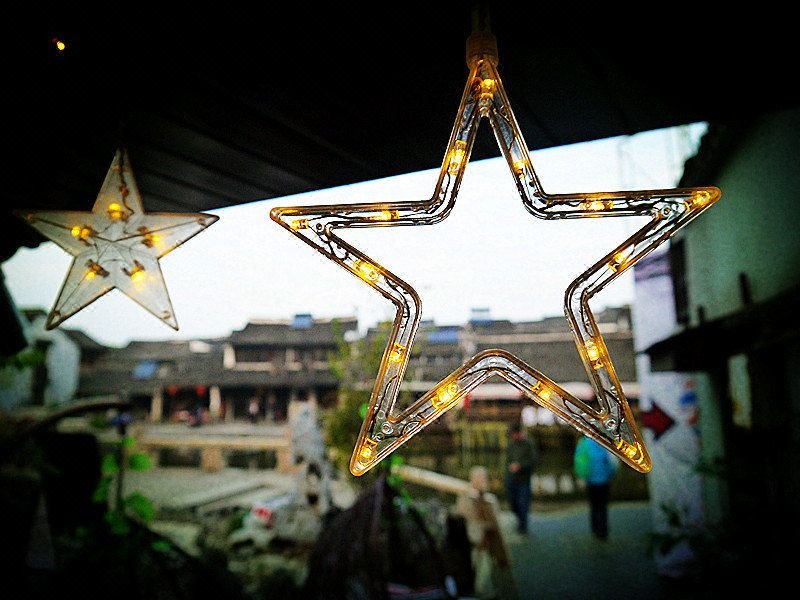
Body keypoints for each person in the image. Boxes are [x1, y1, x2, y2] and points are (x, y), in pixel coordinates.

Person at [574, 436, 618, 540]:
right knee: (603, 506)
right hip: (604, 480)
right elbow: (612, 462)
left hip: (590, 480)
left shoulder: (584, 443)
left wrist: (582, 476)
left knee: (593, 505)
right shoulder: (605, 442)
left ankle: (595, 528)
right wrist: (611, 474)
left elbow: (579, 459)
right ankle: (603, 530)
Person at [505, 423, 538, 534]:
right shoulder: (511, 444)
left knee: (523, 503)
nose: (513, 437)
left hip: (524, 479)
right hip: (512, 478)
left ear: (519, 433)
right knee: (513, 502)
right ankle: (519, 520)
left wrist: (520, 466)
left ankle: (523, 526)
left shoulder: (528, 443)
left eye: (514, 434)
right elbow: (508, 459)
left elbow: (534, 460)